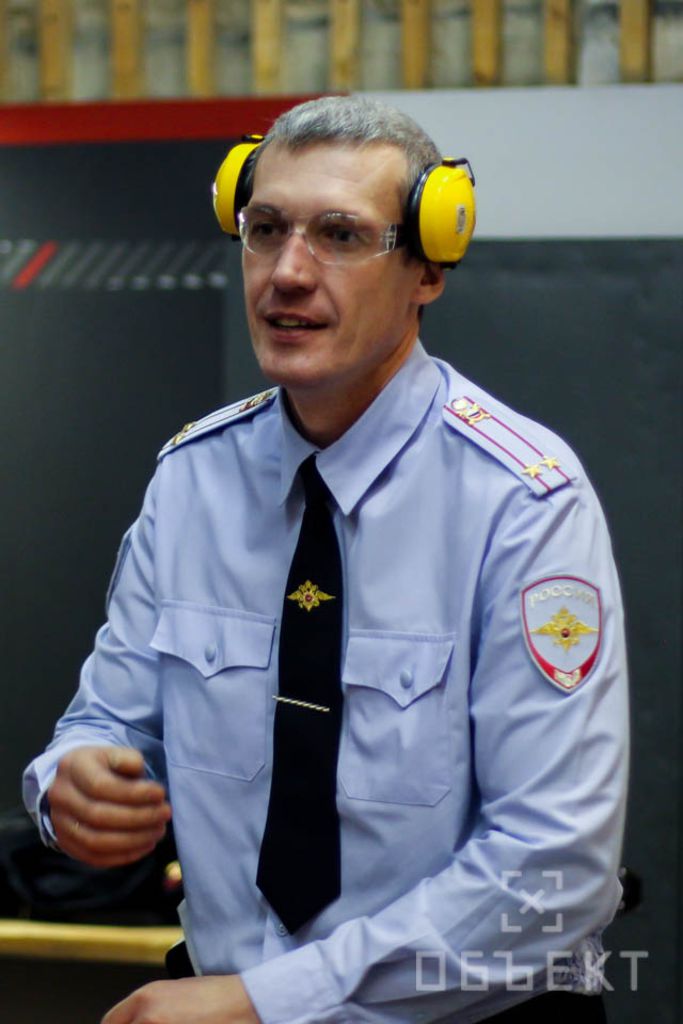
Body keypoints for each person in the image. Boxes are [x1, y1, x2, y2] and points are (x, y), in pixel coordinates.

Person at [23, 96, 628, 1024]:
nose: (288, 274)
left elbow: (555, 866)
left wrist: (265, 1003)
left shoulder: (521, 503)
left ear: (428, 265)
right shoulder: (191, 481)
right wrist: (75, 782)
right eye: (265, 230)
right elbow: (108, 724)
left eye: (340, 236)